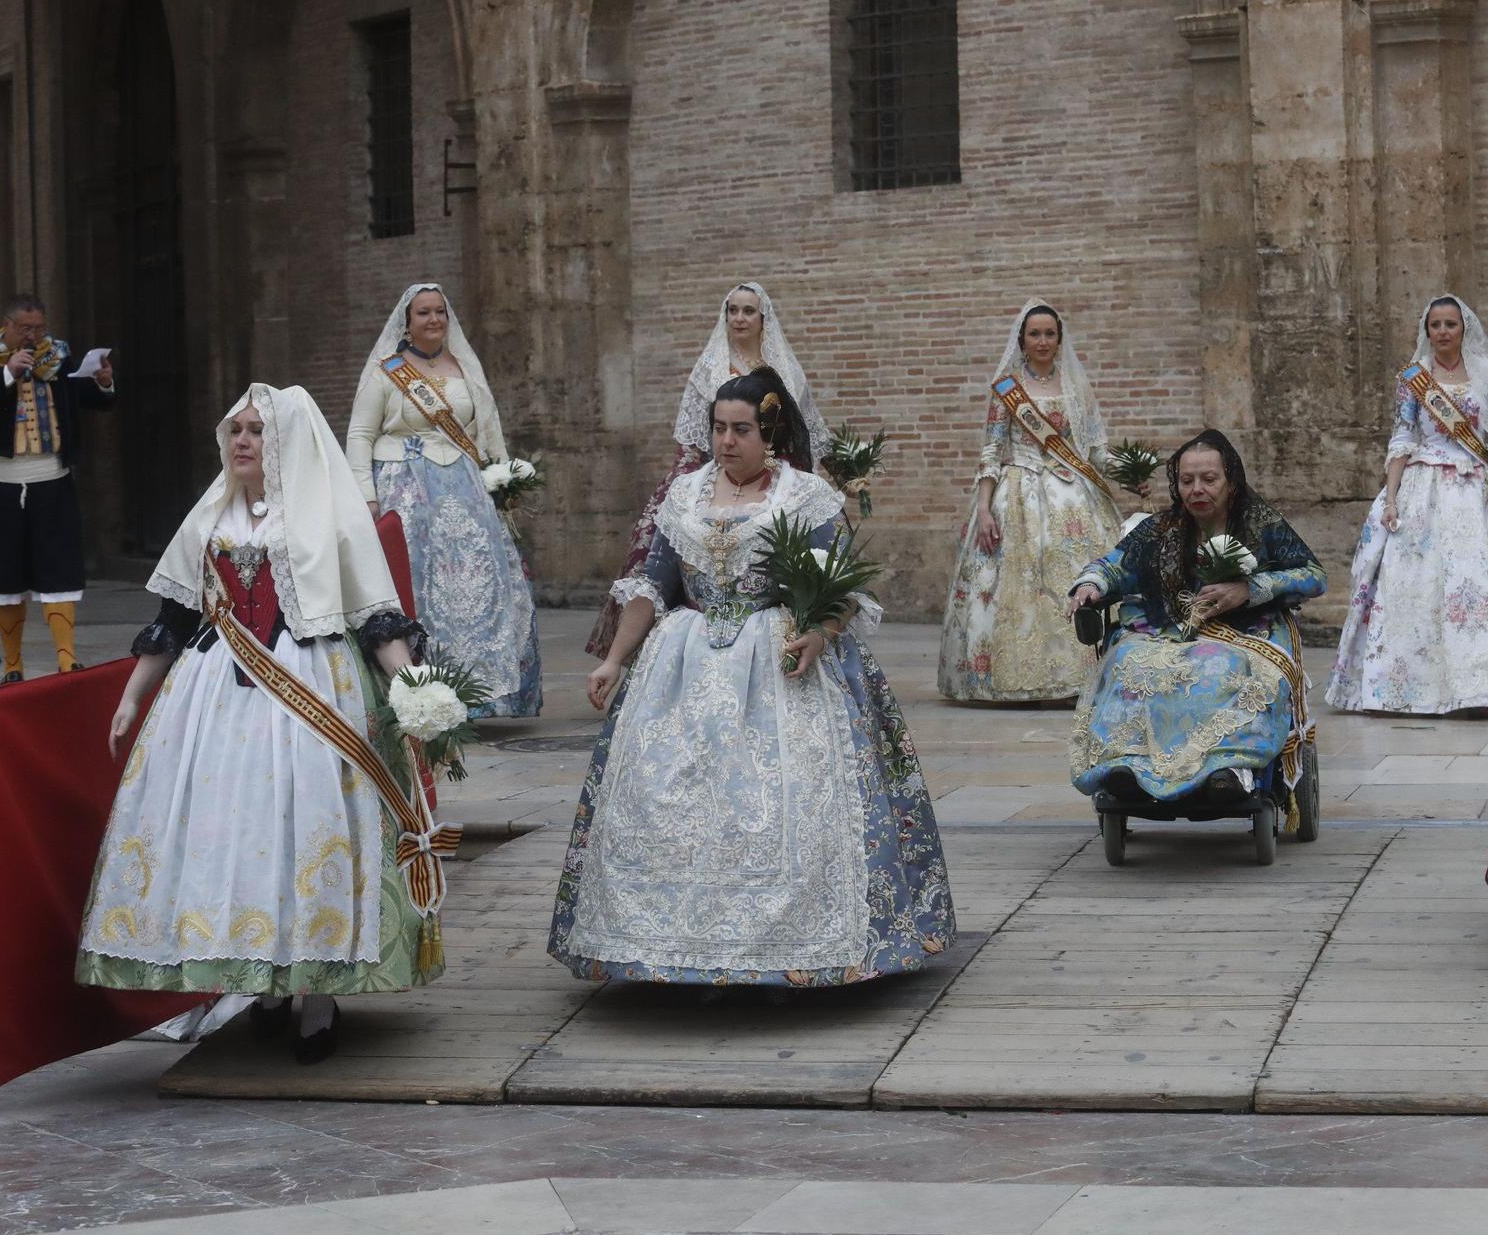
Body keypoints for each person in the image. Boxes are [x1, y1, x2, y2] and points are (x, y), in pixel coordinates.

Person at [76, 384, 445, 1063]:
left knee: (305, 832)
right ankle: (262, 983)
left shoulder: (327, 519)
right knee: (237, 835)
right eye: (235, 430)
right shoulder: (209, 518)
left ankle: (318, 997)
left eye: (256, 431)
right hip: (215, 701)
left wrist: (415, 689)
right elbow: (175, 621)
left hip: (312, 693)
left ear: (285, 443)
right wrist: (133, 698)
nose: (242, 441)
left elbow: (377, 620)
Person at [552, 368, 954, 986]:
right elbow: (652, 585)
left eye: (741, 429)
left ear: (770, 433)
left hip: (780, 656)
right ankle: (662, 943)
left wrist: (818, 632)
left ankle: (801, 944)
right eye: (719, 428)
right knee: (665, 796)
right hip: (680, 665)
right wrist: (614, 659)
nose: (726, 441)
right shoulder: (682, 496)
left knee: (789, 798)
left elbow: (835, 583)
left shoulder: (805, 496)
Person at [1068, 430, 1327, 807]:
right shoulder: (1161, 529)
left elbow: (1314, 576)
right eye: (1187, 481)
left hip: (1245, 631)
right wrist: (1089, 585)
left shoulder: (1260, 524)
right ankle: (1127, 766)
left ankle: (1230, 767)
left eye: (1209, 479)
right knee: (1128, 662)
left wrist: (1250, 588)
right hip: (1165, 628)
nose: (1197, 490)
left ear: (1231, 481)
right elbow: (1114, 566)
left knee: (1220, 668)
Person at [1325, 296, 1488, 714]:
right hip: (1424, 484)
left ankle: (1487, 687)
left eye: (1451, 323)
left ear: (1464, 328)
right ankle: (1415, 689)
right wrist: (1391, 497)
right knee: (1418, 584)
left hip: (1479, 485)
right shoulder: (1414, 379)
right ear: (1426, 330)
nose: (1444, 331)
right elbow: (1403, 437)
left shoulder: (1485, 373)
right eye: (1436, 325)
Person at [585, 282, 829, 659]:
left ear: (764, 318)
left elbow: (802, 432)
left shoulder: (786, 371)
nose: (739, 318)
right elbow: (694, 440)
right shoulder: (710, 368)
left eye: (748, 310)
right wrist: (690, 491)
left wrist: (803, 485)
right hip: (710, 480)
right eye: (732, 310)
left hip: (773, 479)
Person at [346, 283, 540, 717]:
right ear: (407, 322)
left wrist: (500, 478)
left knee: (477, 586)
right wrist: (366, 497)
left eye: (440, 312)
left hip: (464, 490)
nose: (433, 320)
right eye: (423, 313)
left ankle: (481, 698)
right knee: (416, 587)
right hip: (406, 490)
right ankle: (419, 695)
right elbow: (360, 434)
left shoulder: (464, 366)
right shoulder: (388, 370)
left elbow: (485, 427)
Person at [938, 300, 1122, 702]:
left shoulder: (1076, 388)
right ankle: (1012, 679)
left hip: (1073, 496)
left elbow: (1094, 448)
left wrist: (1130, 471)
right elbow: (991, 451)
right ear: (1022, 339)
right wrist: (984, 510)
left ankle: (1083, 676)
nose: (1042, 341)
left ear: (1059, 338)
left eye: (1049, 334)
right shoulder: (1007, 390)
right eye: (1034, 334)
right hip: (1016, 493)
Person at [0, 294, 115, 683]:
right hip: (0, 483)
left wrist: (103, 383)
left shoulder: (57, 356)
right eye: (25, 328)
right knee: (2, 575)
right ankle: (12, 664)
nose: (33, 336)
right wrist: (7, 374)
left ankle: (67, 657)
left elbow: (88, 399)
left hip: (51, 480)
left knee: (59, 570)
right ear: (6, 325)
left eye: (38, 328)